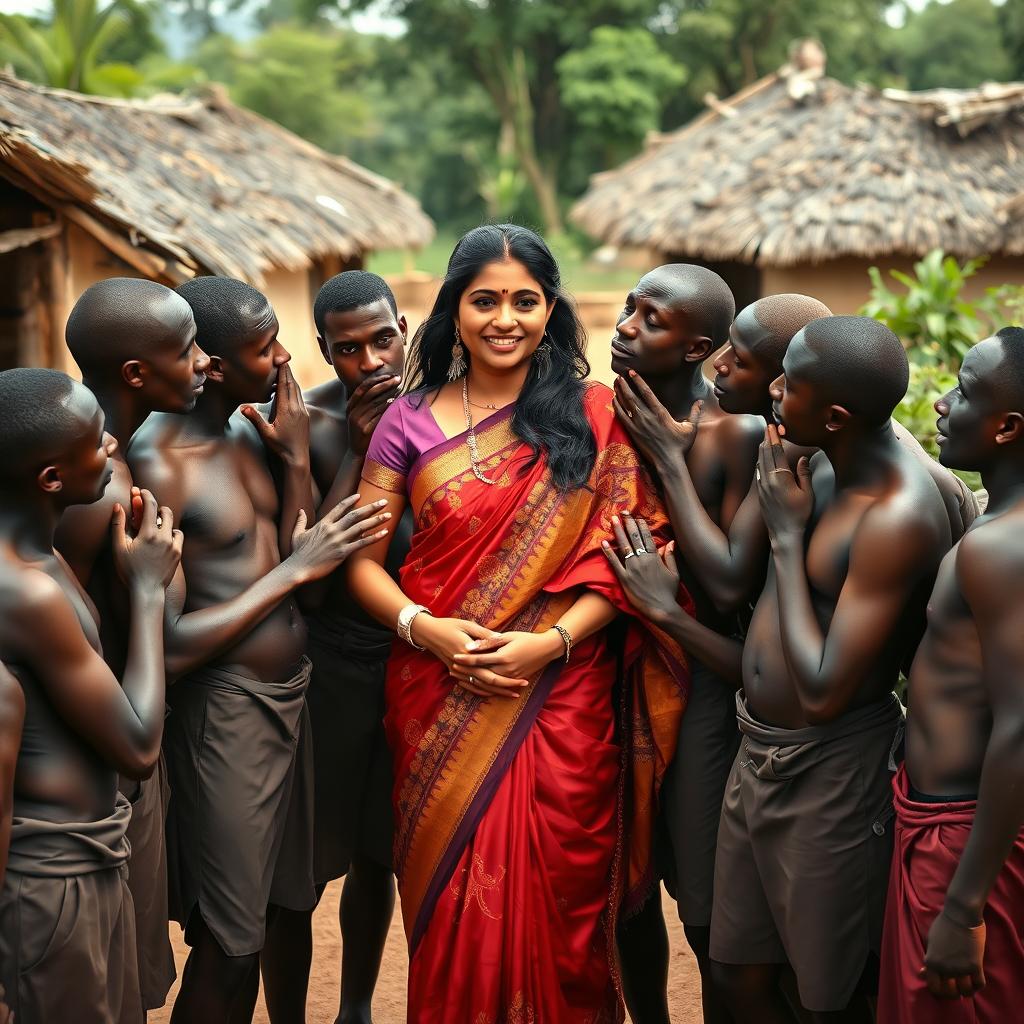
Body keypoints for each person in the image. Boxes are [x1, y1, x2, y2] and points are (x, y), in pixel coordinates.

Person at [345, 224, 693, 1023]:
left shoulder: (596, 416)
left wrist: (551, 642)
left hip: (565, 695)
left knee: (565, 904)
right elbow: (361, 562)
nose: (506, 318)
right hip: (438, 689)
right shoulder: (407, 422)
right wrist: (422, 628)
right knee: (451, 901)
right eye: (485, 300)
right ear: (454, 310)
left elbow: (631, 557)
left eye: (525, 301)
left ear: (551, 309)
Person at [128, 276, 392, 1024]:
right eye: (262, 347)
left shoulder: (253, 430)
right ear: (208, 362)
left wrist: (308, 462)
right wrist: (292, 569)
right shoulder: (161, 463)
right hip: (227, 714)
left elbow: (306, 575)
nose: (282, 359)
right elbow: (171, 646)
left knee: (282, 906)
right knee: (229, 943)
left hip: (292, 696)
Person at [708, 316, 951, 1022]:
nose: (774, 393)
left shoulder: (896, 515)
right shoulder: (817, 458)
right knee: (734, 976)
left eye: (791, 382)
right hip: (758, 752)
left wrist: (787, 539)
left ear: (837, 415)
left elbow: (820, 693)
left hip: (831, 771)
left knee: (828, 994)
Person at [0, 367, 182, 1023]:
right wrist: (148, 592)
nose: (112, 446)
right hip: (51, 880)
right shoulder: (29, 591)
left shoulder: (40, 557)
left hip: (85, 861)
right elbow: (137, 744)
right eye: (97, 439)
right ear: (51, 478)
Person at [610, 265, 762, 1024]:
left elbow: (730, 589)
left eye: (652, 318)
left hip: (698, 686)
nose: (626, 324)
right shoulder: (589, 417)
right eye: (630, 307)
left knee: (703, 904)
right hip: (602, 679)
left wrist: (669, 462)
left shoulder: (731, 434)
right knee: (625, 896)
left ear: (698, 346)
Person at [56, 277, 210, 1014]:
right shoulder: (101, 492)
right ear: (135, 375)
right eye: (187, 351)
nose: (204, 360)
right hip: (106, 753)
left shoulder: (110, 460)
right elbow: (152, 644)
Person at [624, 294, 976, 616]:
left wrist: (668, 458)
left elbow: (728, 586)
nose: (720, 363)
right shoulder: (819, 428)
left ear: (787, 373)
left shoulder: (806, 449)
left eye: (741, 360)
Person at [879, 328, 1024, 1023]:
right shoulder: (990, 520)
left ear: (1008, 427)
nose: (941, 404)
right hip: (943, 826)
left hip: (963, 841)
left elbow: (1019, 728)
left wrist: (964, 907)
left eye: (963, 391)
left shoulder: (1002, 549)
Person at [283, 270, 410, 1024]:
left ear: (407, 325)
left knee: (380, 852)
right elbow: (310, 585)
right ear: (326, 355)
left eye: (382, 339)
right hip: (331, 662)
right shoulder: (317, 426)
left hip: (415, 660)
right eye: (347, 350)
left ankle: (356, 1009)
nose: (369, 363)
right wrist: (362, 455)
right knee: (301, 863)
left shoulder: (444, 415)